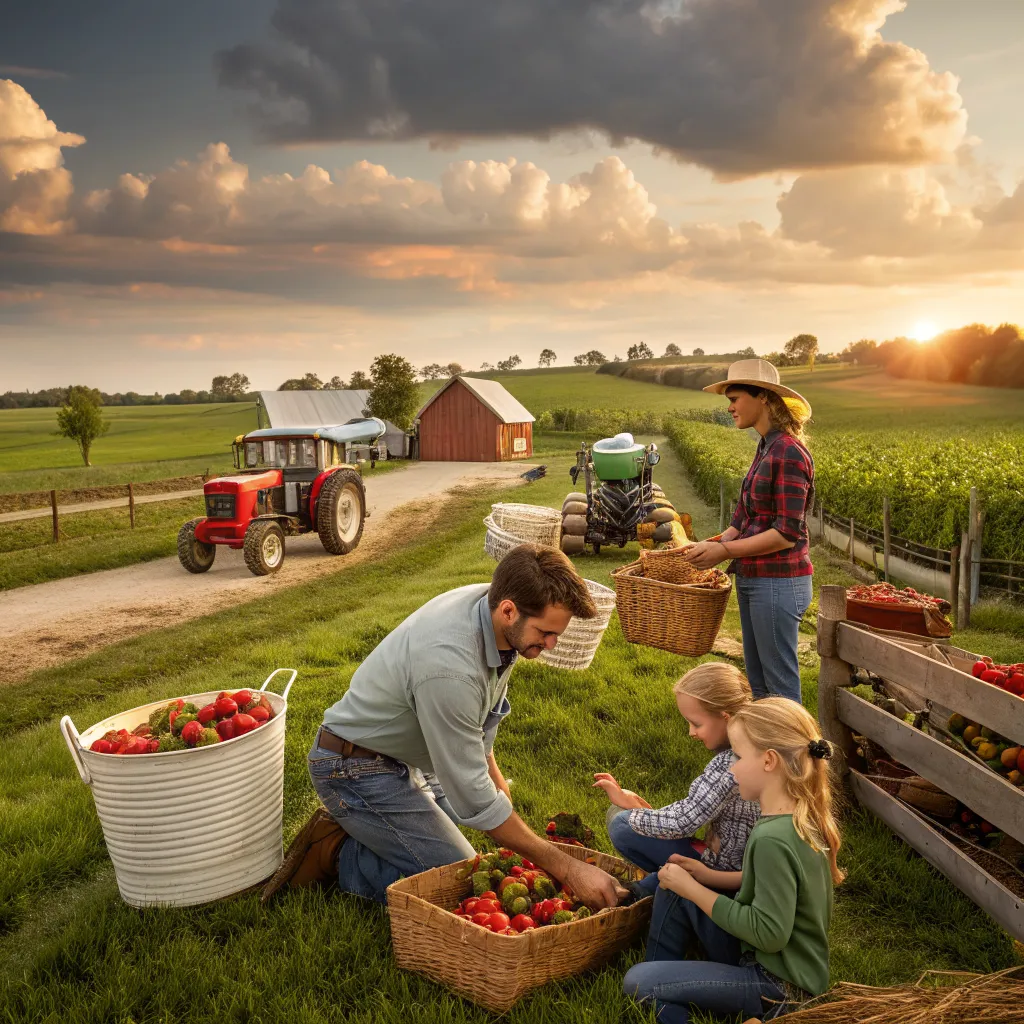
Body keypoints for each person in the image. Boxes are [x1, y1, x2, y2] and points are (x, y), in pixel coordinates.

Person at [261, 543, 626, 909]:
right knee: (459, 884)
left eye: (557, 634)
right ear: (509, 611)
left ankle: (376, 831)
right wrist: (568, 870)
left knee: (489, 843)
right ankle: (340, 854)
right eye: (546, 632)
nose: (551, 643)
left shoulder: (498, 614)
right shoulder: (450, 666)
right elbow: (475, 799)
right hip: (353, 768)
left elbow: (481, 721)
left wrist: (499, 788)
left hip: (412, 756)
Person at [623, 697, 843, 1024]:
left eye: (738, 757)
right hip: (766, 961)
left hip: (778, 986)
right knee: (673, 889)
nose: (731, 767)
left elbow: (769, 933)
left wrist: (695, 890)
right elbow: (768, 893)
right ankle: (667, 977)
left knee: (639, 981)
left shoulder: (772, 839)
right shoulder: (795, 820)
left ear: (769, 761)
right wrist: (702, 878)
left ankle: (663, 987)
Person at [681, 359, 815, 702]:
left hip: (779, 581)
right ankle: (766, 753)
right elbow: (746, 516)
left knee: (780, 689)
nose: (729, 407)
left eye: (735, 397)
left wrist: (724, 552)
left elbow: (787, 532)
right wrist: (716, 542)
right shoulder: (766, 445)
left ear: (764, 398)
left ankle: (796, 754)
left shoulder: (788, 452)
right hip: (756, 577)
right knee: (759, 684)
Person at [593, 662, 759, 896]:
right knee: (645, 877)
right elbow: (694, 810)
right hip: (738, 867)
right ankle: (645, 892)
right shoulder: (758, 748)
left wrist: (636, 812)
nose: (691, 732)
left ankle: (661, 889)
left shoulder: (730, 764)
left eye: (696, 723)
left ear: (726, 718)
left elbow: (684, 821)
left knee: (620, 823)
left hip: (723, 873)